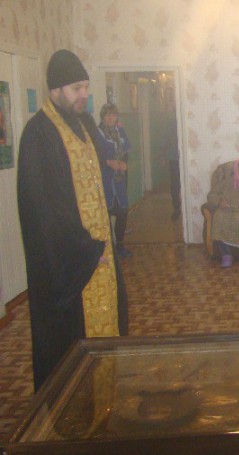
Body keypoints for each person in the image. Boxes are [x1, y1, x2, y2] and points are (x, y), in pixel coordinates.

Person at [17, 49, 128, 391]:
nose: (84, 95)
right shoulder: (39, 135)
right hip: (72, 265)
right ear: (55, 89)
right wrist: (87, 252)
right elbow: (46, 211)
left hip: (100, 254)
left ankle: (105, 397)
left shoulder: (84, 124)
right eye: (76, 88)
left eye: (85, 87)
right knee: (71, 357)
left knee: (108, 336)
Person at [97, 103, 132, 258]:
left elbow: (125, 151)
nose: (110, 118)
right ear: (102, 117)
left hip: (120, 178)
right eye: (107, 115)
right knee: (106, 214)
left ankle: (120, 246)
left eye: (113, 115)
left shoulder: (120, 131)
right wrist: (107, 162)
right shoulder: (97, 133)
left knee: (122, 212)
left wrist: (124, 163)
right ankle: (108, 248)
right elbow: (93, 156)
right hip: (105, 178)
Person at [165, 123, 181, 220]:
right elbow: (165, 141)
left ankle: (178, 207)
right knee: (175, 185)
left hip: (185, 159)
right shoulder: (170, 124)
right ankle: (176, 208)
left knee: (178, 184)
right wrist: (163, 155)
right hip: (174, 159)